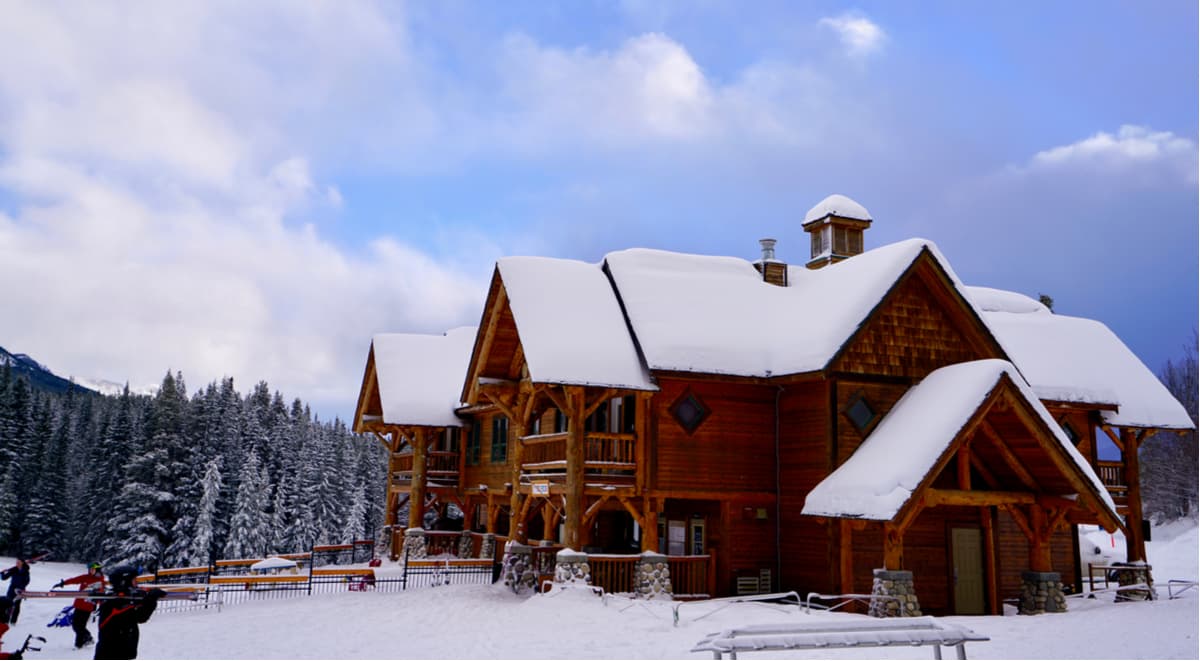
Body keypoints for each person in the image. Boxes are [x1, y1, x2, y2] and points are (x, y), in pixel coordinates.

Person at [93, 566, 164, 661]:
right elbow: (140, 616)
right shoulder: (114, 603)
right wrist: (151, 599)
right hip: (111, 654)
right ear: (124, 582)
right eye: (134, 580)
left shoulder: (122, 599)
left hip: (119, 653)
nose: (136, 583)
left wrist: (146, 596)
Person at [54, 563, 107, 649]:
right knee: (75, 625)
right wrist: (63, 583)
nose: (90, 571)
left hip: (87, 607)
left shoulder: (100, 582)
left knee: (80, 626)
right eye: (90, 570)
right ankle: (88, 638)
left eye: (93, 570)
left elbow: (101, 596)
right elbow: (75, 580)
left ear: (98, 570)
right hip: (79, 605)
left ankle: (78, 645)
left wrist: (101, 606)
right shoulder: (86, 577)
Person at [0, 559, 30, 624]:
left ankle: (13, 621)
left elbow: (27, 581)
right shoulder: (14, 570)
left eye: (19, 562)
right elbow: (4, 578)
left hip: (20, 591)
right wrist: (2, 573)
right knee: (8, 605)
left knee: (17, 605)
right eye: (16, 562)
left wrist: (20, 588)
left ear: (22, 563)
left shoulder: (25, 571)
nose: (17, 563)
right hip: (11, 589)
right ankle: (5, 620)